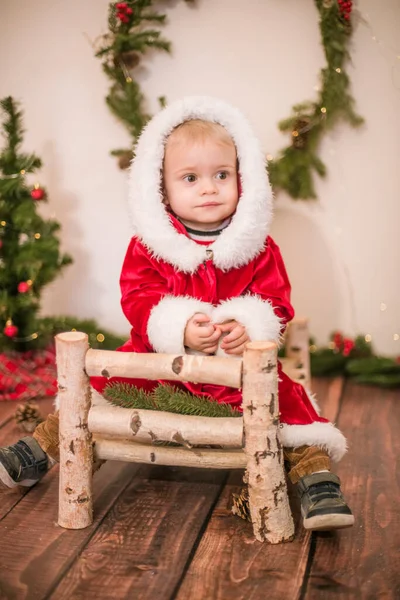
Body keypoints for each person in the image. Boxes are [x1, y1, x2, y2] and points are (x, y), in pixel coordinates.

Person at [0, 97, 354, 531]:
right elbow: (138, 298)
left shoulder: (258, 247)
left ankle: (317, 482)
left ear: (245, 180)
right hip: (160, 368)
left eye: (222, 175)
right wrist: (179, 327)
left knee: (292, 409)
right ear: (161, 189)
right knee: (101, 389)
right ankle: (38, 450)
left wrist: (248, 325)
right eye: (190, 178)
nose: (209, 188)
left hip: (234, 372)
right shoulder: (149, 246)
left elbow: (276, 303)